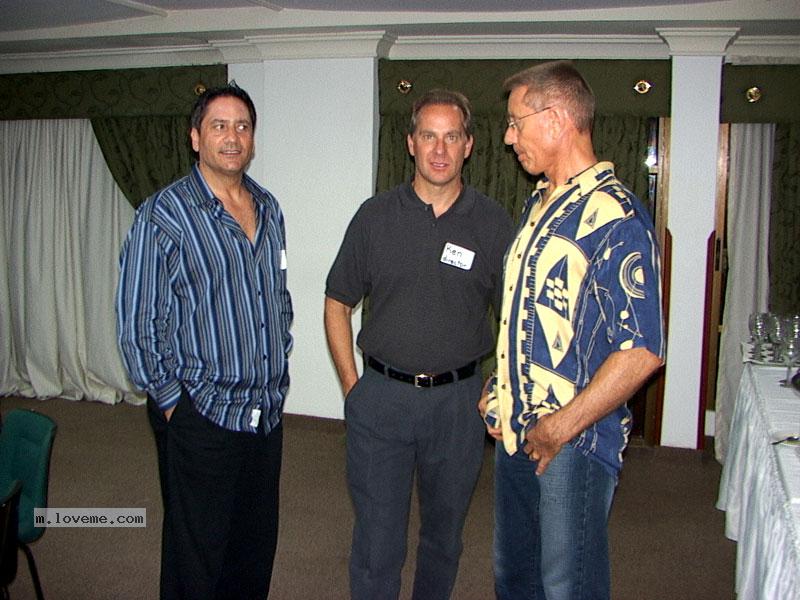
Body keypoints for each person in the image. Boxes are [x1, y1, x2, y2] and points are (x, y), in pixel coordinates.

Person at [479, 61, 665, 600]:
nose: (508, 138)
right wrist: (501, 386)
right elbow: (529, 316)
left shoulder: (617, 216)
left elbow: (643, 351)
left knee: (569, 587)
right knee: (515, 580)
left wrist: (560, 427)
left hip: (574, 444)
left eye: (515, 123)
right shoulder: (537, 206)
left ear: (556, 119)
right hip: (517, 433)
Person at [325, 89, 513, 600]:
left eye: (452, 137)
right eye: (428, 135)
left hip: (458, 405)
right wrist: (353, 389)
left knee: (444, 538)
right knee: (377, 540)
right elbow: (337, 302)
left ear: (469, 145)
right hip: (381, 400)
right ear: (411, 143)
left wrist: (497, 385)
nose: (439, 149)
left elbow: (515, 318)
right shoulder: (374, 217)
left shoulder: (493, 223)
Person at [116, 83, 292, 600]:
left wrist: (278, 355)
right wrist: (174, 404)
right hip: (202, 412)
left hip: (264, 415)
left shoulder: (268, 207)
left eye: (242, 127)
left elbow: (276, 297)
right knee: (196, 558)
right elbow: (138, 322)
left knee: (253, 551)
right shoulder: (163, 215)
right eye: (219, 126)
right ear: (195, 137)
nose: (232, 137)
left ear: (253, 139)